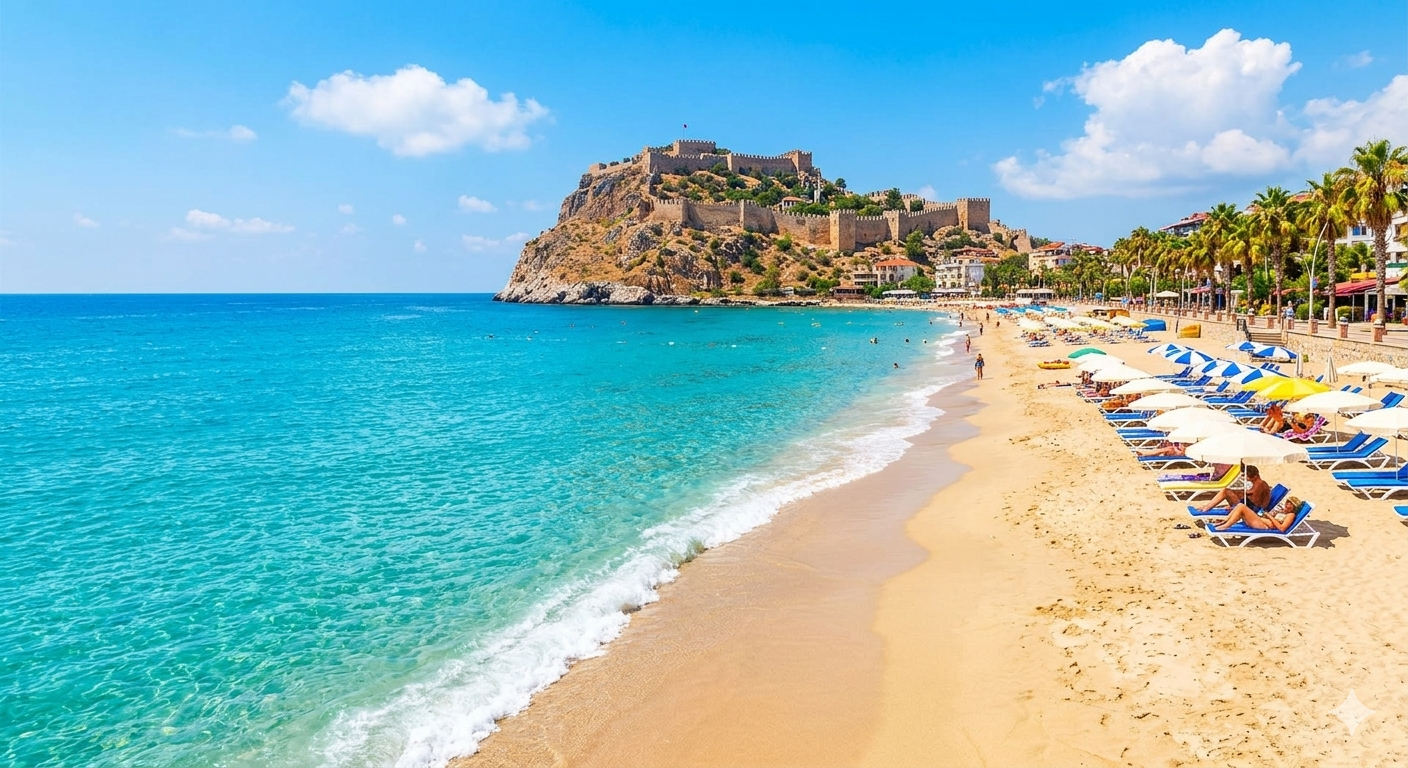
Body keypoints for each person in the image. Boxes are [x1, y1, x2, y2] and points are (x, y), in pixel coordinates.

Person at [1195, 465, 1270, 514]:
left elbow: (1251, 495)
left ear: (1256, 476)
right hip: (1250, 506)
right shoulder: (1258, 483)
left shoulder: (1261, 483)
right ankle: (1207, 507)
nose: (1246, 478)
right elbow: (1250, 496)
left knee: (1226, 491)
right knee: (1227, 491)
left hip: (1254, 510)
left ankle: (1206, 508)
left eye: (1248, 477)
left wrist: (1239, 493)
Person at [1211, 494, 1303, 532]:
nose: (1287, 505)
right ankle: (1225, 521)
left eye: (1290, 504)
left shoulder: (1291, 515)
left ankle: (1226, 526)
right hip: (1261, 521)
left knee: (1242, 507)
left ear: (1294, 507)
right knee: (1240, 506)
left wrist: (1269, 516)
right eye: (1287, 502)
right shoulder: (1283, 511)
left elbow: (1282, 528)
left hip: (1265, 526)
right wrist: (1272, 514)